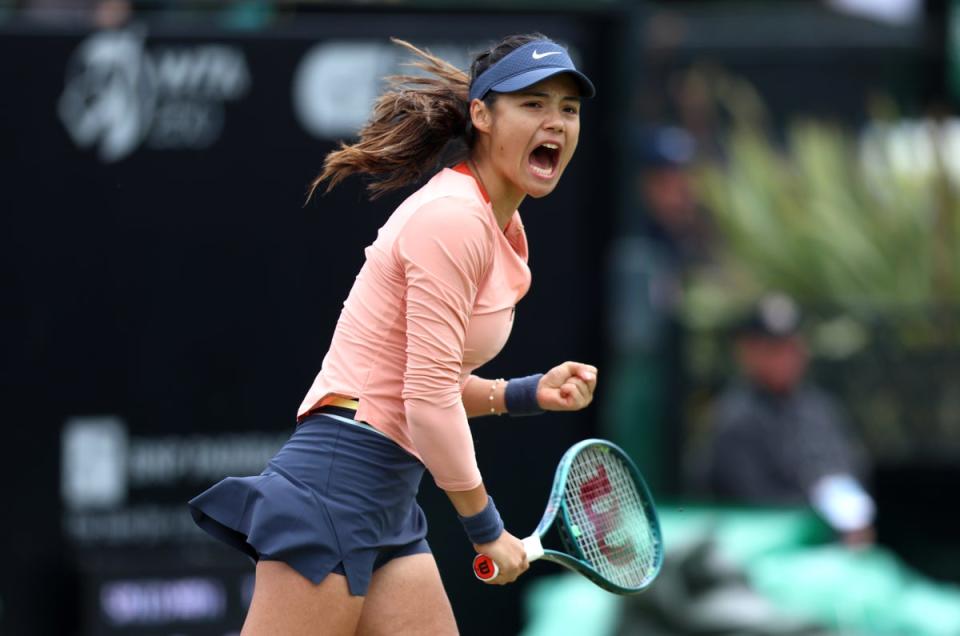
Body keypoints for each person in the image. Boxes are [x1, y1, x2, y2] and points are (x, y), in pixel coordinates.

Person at [188, 34, 599, 635]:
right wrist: (488, 529)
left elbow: (425, 385)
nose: (556, 122)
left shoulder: (499, 228)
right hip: (336, 484)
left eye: (568, 108)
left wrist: (525, 392)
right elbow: (426, 400)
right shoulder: (454, 219)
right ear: (481, 115)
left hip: (387, 495)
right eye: (533, 104)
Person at [695, 293, 876, 546]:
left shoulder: (820, 408)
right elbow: (758, 504)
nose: (786, 358)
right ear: (747, 352)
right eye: (773, 349)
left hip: (835, 548)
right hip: (764, 554)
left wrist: (852, 515)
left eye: (792, 347)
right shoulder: (732, 418)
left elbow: (848, 468)